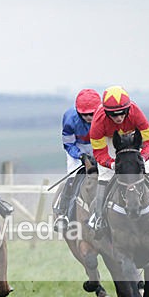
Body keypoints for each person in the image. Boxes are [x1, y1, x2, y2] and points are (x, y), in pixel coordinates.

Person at [87, 85, 149, 230]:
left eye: (122, 113)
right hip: (109, 140)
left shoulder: (137, 114)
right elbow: (100, 153)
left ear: (128, 109)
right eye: (113, 115)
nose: (118, 118)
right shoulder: (97, 123)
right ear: (106, 113)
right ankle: (99, 218)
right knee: (105, 176)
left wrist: (143, 159)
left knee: (148, 172)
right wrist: (112, 164)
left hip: (132, 138)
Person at [53, 88, 101, 232]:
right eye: (85, 115)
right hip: (77, 148)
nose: (89, 117)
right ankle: (63, 214)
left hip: (99, 146)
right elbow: (68, 144)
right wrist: (81, 156)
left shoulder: (104, 116)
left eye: (92, 114)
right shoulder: (69, 118)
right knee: (73, 177)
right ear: (78, 112)